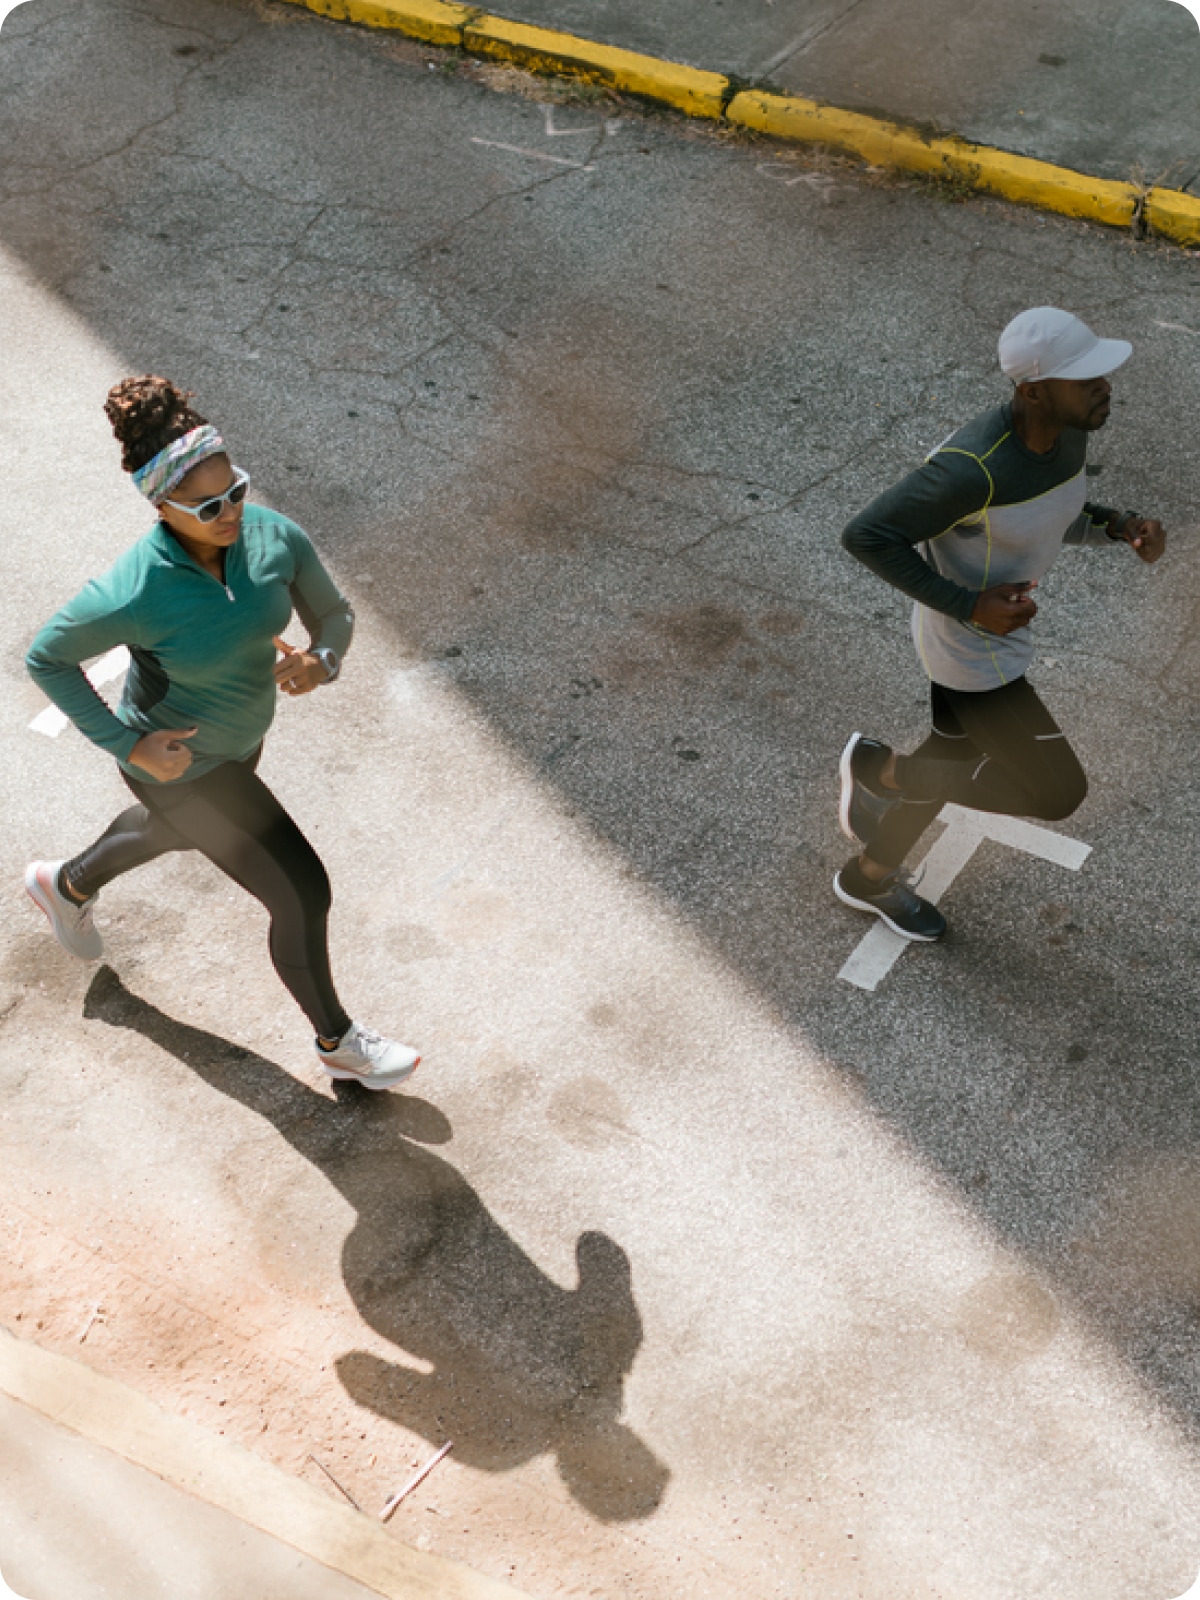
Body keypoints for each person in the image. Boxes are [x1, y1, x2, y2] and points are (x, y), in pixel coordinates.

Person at [24, 375, 419, 1090]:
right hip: (182, 763)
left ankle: (67, 884)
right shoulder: (134, 590)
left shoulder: (271, 537)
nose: (230, 510)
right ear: (163, 506)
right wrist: (126, 744)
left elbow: (335, 617)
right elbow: (46, 658)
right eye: (207, 506)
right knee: (302, 892)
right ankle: (339, 1042)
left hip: (241, 742)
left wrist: (321, 662)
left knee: (173, 832)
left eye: (234, 488)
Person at [836, 306, 1166, 941]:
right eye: (1086, 379)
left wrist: (1120, 526)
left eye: (1102, 374)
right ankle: (879, 771)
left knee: (950, 756)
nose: (1105, 388)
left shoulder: (1066, 432)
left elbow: (1056, 512)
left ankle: (869, 876)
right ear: (1033, 389)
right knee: (1055, 792)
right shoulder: (970, 468)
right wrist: (968, 604)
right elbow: (866, 535)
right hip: (972, 650)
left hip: (992, 636)